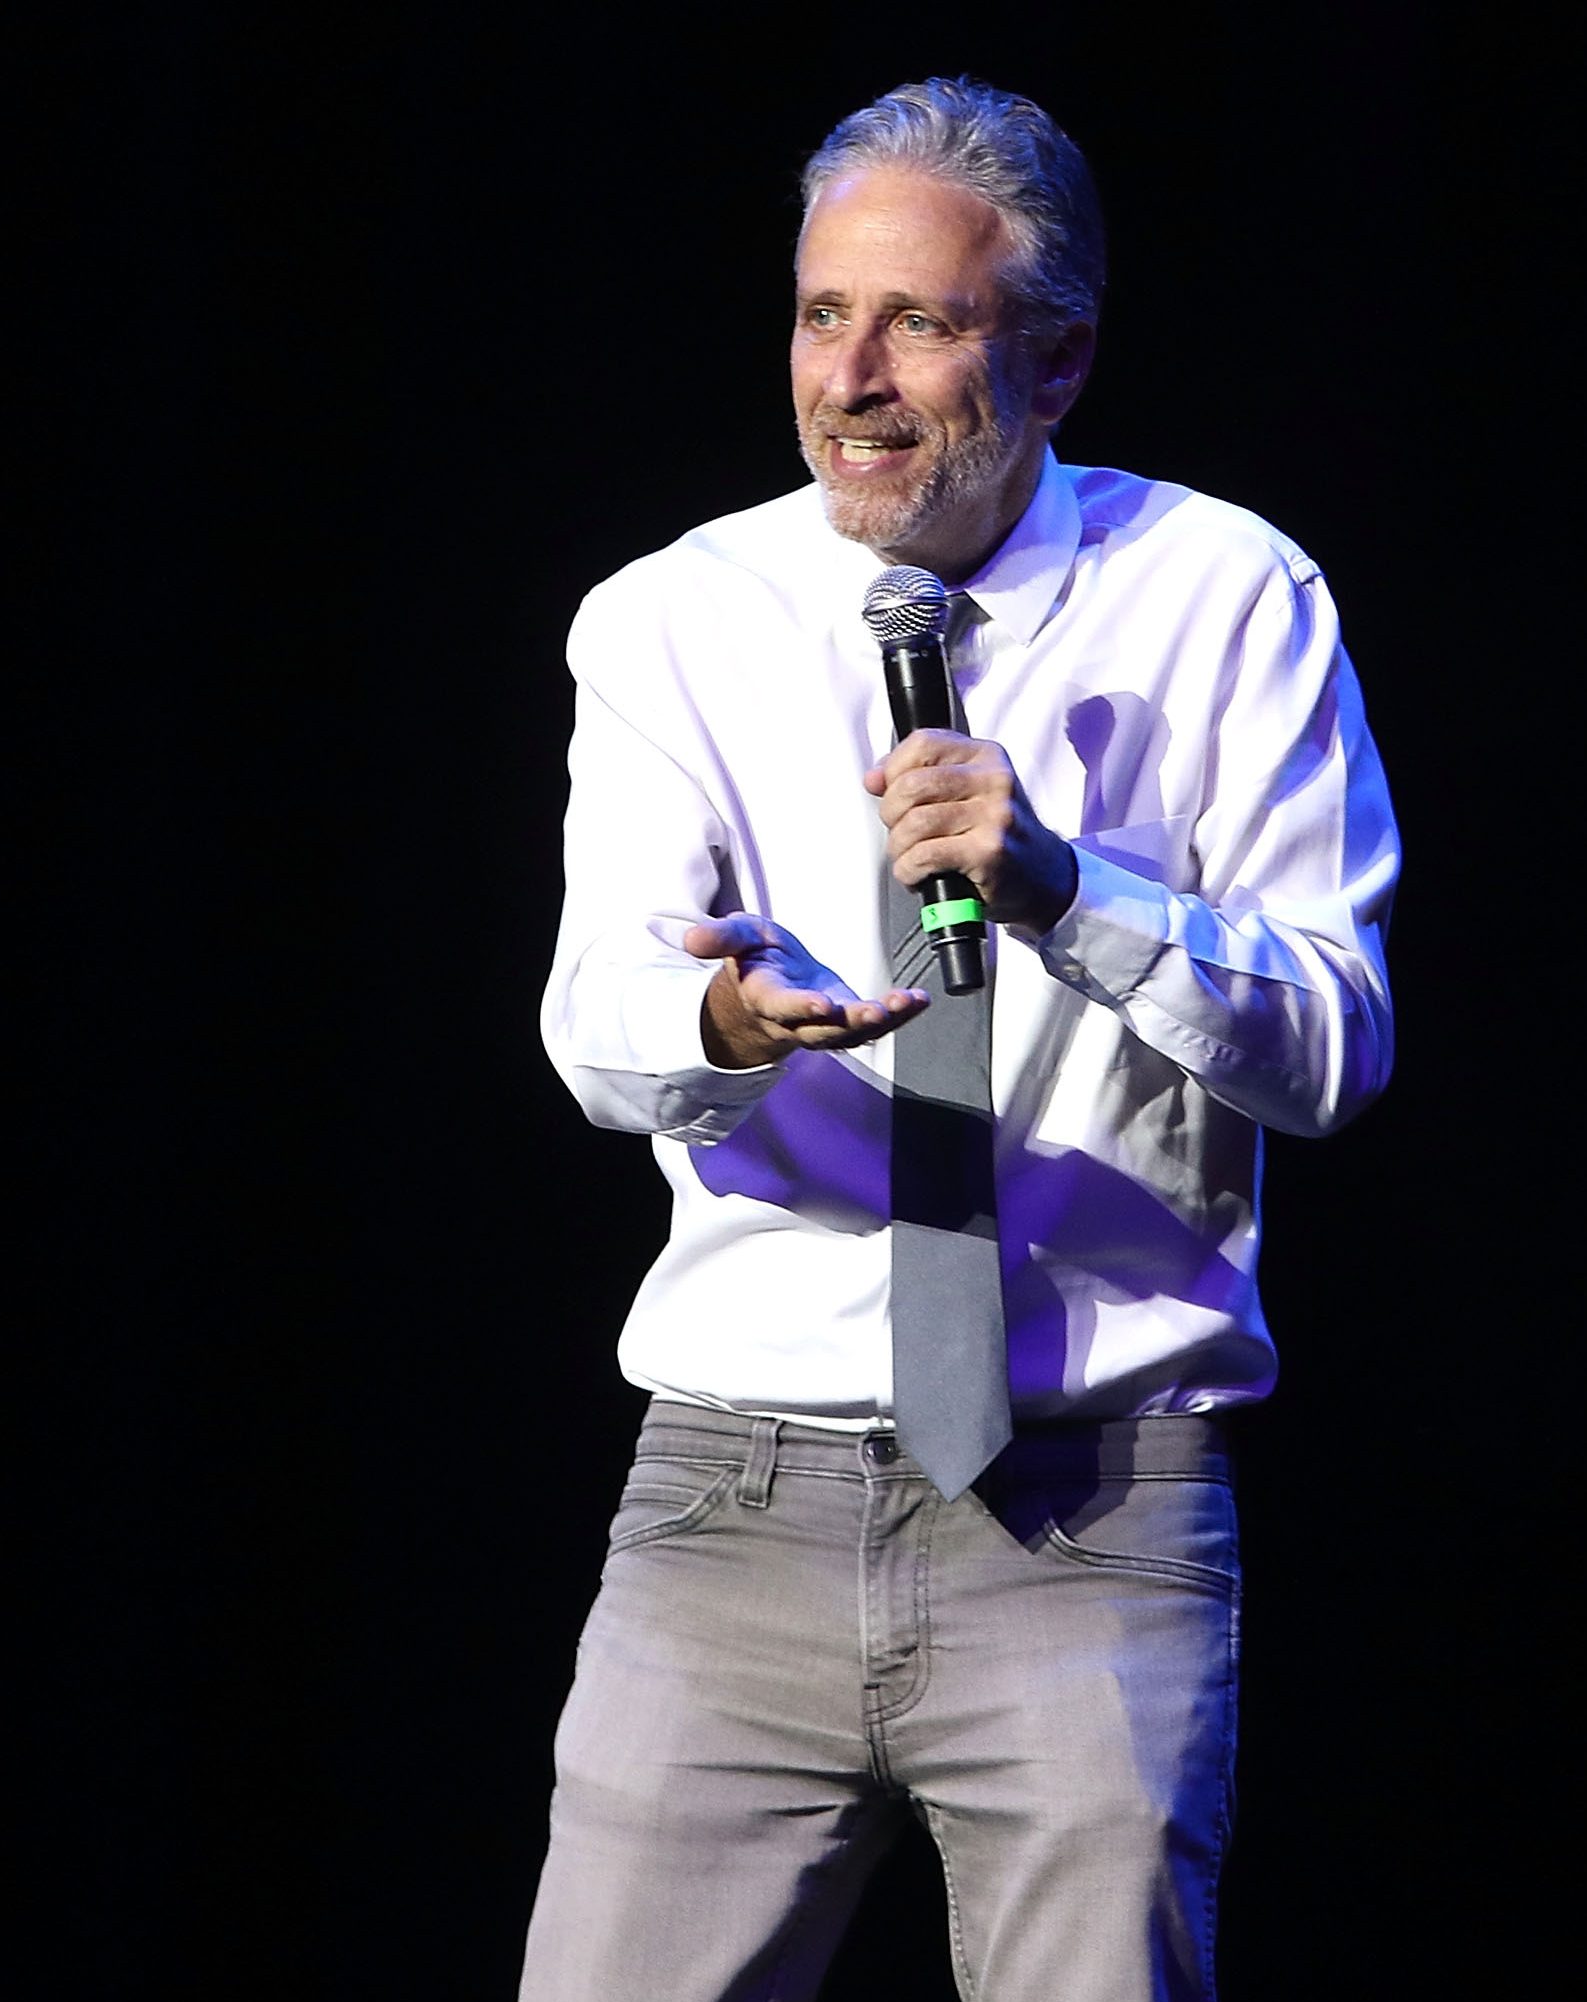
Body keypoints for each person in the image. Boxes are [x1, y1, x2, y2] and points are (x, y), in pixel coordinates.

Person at [522, 77, 1398, 2002]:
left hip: (1098, 1506)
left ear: (1060, 358)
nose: (857, 379)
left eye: (924, 321)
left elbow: (1333, 1046)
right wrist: (728, 1019)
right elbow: (597, 1022)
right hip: (733, 1502)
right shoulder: (677, 617)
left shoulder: (1229, 598)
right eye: (826, 316)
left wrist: (1070, 893)